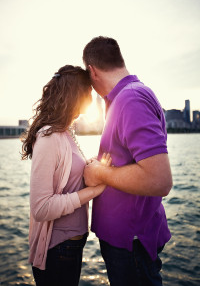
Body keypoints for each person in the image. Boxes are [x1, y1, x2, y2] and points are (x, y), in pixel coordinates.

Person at [83, 37, 173, 286]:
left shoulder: (130, 100)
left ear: (92, 71)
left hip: (131, 244)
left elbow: (159, 180)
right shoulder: (125, 97)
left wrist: (100, 174)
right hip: (126, 242)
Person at [21, 65, 111, 286]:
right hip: (58, 249)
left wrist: (90, 165)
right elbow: (41, 208)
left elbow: (67, 174)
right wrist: (92, 192)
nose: (91, 98)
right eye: (88, 92)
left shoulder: (65, 132)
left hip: (71, 245)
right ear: (75, 95)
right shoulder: (49, 137)